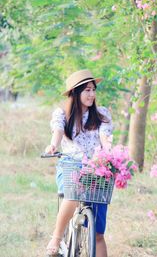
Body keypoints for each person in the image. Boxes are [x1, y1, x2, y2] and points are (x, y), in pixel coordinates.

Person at [45, 69, 113, 257]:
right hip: (71, 166)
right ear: (75, 93)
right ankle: (57, 238)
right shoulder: (62, 114)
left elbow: (104, 136)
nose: (92, 94)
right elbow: (57, 132)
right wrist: (52, 145)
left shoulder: (101, 114)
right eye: (87, 90)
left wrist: (110, 151)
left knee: (99, 232)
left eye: (93, 90)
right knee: (74, 193)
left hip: (96, 170)